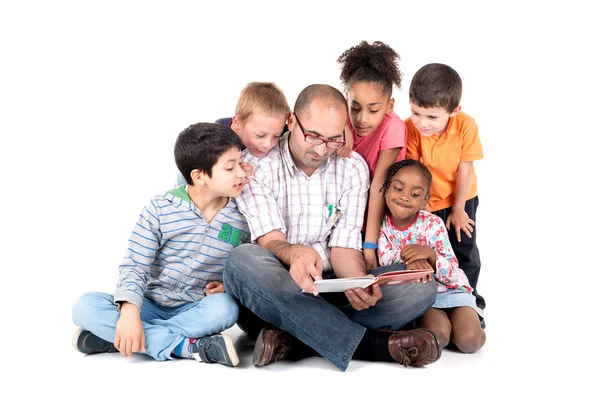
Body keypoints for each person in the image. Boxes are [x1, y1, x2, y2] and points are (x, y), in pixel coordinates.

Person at [223, 84, 441, 372]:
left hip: (330, 287)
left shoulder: (352, 168)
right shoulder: (256, 166)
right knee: (242, 261)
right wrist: (293, 253)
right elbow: (270, 240)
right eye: (312, 136)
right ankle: (372, 346)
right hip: (279, 289)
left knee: (419, 287)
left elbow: (344, 247)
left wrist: (358, 284)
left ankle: (295, 340)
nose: (320, 149)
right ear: (291, 122)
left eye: (332, 140)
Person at [72, 123, 250, 367]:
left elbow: (247, 267)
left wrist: (227, 286)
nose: (242, 173)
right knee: (84, 306)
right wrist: (130, 311)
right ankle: (185, 346)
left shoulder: (243, 218)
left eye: (240, 163)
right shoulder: (161, 208)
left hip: (195, 308)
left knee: (226, 309)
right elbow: (135, 264)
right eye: (230, 167)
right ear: (199, 176)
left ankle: (121, 340)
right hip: (149, 303)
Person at [377, 159, 486, 353]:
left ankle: (467, 322)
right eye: (398, 189)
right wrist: (413, 258)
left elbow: (453, 271)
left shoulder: (433, 224)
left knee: (470, 342)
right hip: (425, 296)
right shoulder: (382, 226)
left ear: (425, 200)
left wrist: (431, 256)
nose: (404, 197)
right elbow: (384, 259)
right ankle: (437, 325)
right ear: (385, 189)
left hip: (453, 290)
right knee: (438, 336)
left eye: (415, 194)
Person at [405, 63, 486, 318]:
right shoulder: (410, 128)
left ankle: (470, 302)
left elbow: (464, 168)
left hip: (462, 197)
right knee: (434, 249)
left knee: (463, 248)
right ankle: (437, 301)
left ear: (454, 110)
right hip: (428, 199)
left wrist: (459, 209)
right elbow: (416, 172)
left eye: (432, 117)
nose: (422, 123)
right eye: (417, 113)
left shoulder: (466, 126)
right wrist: (424, 210)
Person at [336, 40, 408, 271]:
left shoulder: (393, 128)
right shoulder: (342, 119)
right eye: (355, 108)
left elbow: (379, 185)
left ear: (389, 105)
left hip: (376, 218)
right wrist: (342, 126)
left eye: (373, 110)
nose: (362, 119)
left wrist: (369, 244)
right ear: (346, 98)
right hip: (342, 213)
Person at [175, 82, 290, 187]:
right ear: (237, 123)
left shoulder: (278, 130)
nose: (268, 144)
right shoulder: (208, 147)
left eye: (276, 136)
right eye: (259, 135)